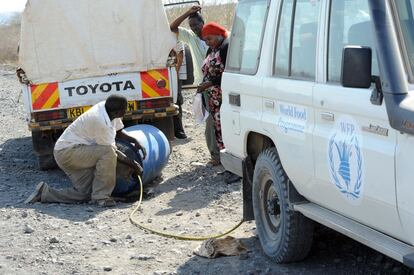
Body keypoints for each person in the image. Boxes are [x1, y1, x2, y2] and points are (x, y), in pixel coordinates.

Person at [25, 95, 146, 207]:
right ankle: (101, 198)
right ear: (117, 112)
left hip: (74, 151)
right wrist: (133, 165)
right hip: (68, 153)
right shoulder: (99, 120)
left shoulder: (108, 108)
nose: (125, 112)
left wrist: (134, 140)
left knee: (86, 194)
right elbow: (110, 151)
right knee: (107, 153)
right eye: (124, 111)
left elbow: (118, 131)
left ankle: (45, 193)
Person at [170, 5, 220, 165]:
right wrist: (188, 13)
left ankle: (223, 153)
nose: (194, 28)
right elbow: (172, 27)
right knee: (211, 121)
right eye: (191, 26)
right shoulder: (191, 37)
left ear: (203, 23)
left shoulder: (213, 36)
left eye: (196, 25)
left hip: (218, 83)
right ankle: (216, 155)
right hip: (204, 86)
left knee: (220, 120)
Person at [197, 22, 241, 183]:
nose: (207, 43)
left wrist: (210, 83)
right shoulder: (213, 49)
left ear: (218, 35)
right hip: (214, 97)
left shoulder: (226, 48)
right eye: (205, 40)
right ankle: (226, 164)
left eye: (209, 39)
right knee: (218, 129)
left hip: (225, 96)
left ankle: (234, 167)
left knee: (227, 128)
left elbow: (230, 73)